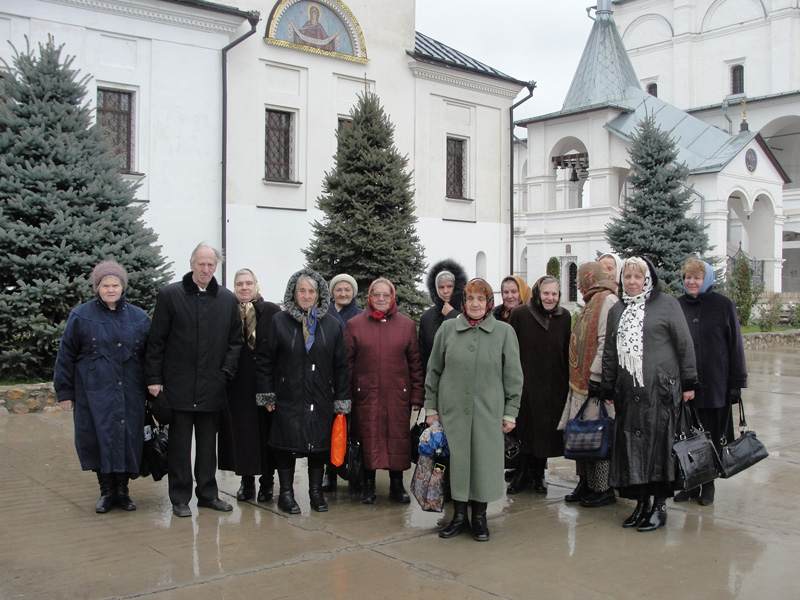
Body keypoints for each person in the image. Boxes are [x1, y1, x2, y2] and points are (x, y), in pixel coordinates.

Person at [601, 256, 698, 532]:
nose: (632, 281)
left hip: (661, 392)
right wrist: (608, 385)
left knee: (659, 449)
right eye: (628, 277)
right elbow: (611, 352)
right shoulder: (617, 310)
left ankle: (659, 506)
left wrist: (689, 382)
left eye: (638, 277)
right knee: (634, 449)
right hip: (629, 394)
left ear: (648, 279)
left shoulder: (667, 305)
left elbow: (684, 345)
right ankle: (641, 503)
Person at [145, 243, 242, 518]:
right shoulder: (170, 295)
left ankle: (208, 494)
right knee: (178, 446)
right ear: (191, 264)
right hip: (178, 386)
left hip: (213, 386)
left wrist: (225, 373)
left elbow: (235, 342)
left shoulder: (226, 299)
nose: (206, 269)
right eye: (201, 264)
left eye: (211, 265)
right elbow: (157, 341)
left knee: (207, 447)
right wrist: (154, 379)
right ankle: (179, 497)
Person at [425, 279, 522, 542]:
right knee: (455, 463)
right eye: (470, 299)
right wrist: (431, 408)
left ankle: (479, 518)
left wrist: (510, 412)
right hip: (452, 412)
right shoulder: (447, 330)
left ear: (489, 303)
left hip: (488, 413)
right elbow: (433, 371)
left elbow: (514, 376)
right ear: (463, 302)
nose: (475, 304)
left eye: (481, 299)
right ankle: (457, 517)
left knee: (483, 463)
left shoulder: (503, 332)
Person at [54, 260, 151, 513]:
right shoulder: (81, 315)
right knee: (98, 439)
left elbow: (150, 357)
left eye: (115, 285)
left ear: (122, 287)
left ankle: (123, 491)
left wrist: (153, 388)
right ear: (97, 287)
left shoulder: (139, 317)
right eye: (105, 285)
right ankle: (107, 491)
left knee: (129, 439)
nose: (110, 289)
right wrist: (65, 392)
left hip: (130, 392)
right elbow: (66, 355)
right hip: (93, 393)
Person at [256, 269, 350, 514]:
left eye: (311, 291)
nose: (307, 295)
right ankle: (286, 495)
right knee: (286, 444)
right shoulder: (280, 322)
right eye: (302, 290)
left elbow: (341, 365)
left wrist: (340, 399)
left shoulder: (331, 324)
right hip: (289, 395)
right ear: (294, 293)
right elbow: (265, 360)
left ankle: (316, 493)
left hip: (321, 396)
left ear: (319, 295)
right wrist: (267, 393)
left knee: (318, 446)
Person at [345, 278, 425, 504]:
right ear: (370, 297)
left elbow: (415, 364)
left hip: (397, 395)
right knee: (368, 438)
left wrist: (417, 395)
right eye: (376, 294)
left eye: (386, 295)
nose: (381, 299)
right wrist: (347, 396)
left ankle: (397, 485)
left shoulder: (406, 325)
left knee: (397, 439)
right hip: (365, 395)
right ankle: (368, 485)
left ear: (393, 298)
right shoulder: (354, 325)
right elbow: (347, 365)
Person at [676, 258, 747, 506]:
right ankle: (691, 483)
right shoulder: (678, 306)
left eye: (696, 277)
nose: (691, 282)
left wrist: (737, 382)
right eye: (687, 277)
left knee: (712, 436)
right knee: (687, 437)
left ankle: (709, 485)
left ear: (706, 279)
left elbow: (735, 345)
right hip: (686, 388)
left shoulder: (723, 305)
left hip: (716, 385)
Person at [557, 262, 619, 507]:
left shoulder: (607, 301)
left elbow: (606, 342)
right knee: (581, 435)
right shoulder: (592, 300)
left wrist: (596, 377)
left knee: (596, 434)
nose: (578, 284)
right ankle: (585, 481)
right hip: (580, 381)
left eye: (581, 279)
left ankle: (602, 487)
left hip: (596, 382)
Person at [218, 269, 281, 503]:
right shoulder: (227, 312)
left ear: (256, 284)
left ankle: (267, 483)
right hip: (237, 385)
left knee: (266, 434)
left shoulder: (272, 312)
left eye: (248, 283)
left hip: (265, 384)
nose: (244, 287)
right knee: (242, 435)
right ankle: (247, 482)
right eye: (239, 284)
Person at [508, 275, 571, 494]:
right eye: (546, 293)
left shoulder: (564, 317)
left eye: (554, 293)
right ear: (537, 293)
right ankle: (520, 473)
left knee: (545, 433)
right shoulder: (520, 314)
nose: (550, 298)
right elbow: (510, 350)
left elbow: (566, 352)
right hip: (526, 384)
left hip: (553, 385)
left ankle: (538, 474)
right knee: (524, 429)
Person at [323, 273, 363, 492]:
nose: (343, 293)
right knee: (331, 428)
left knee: (354, 428)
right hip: (329, 380)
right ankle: (331, 473)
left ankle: (355, 473)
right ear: (332, 292)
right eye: (339, 289)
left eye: (348, 289)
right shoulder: (324, 314)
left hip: (353, 380)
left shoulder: (360, 316)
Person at [418, 259, 468, 372]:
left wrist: (452, 315)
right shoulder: (427, 317)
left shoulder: (468, 313)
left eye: (449, 286)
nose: (445, 291)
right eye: (441, 287)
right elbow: (422, 355)